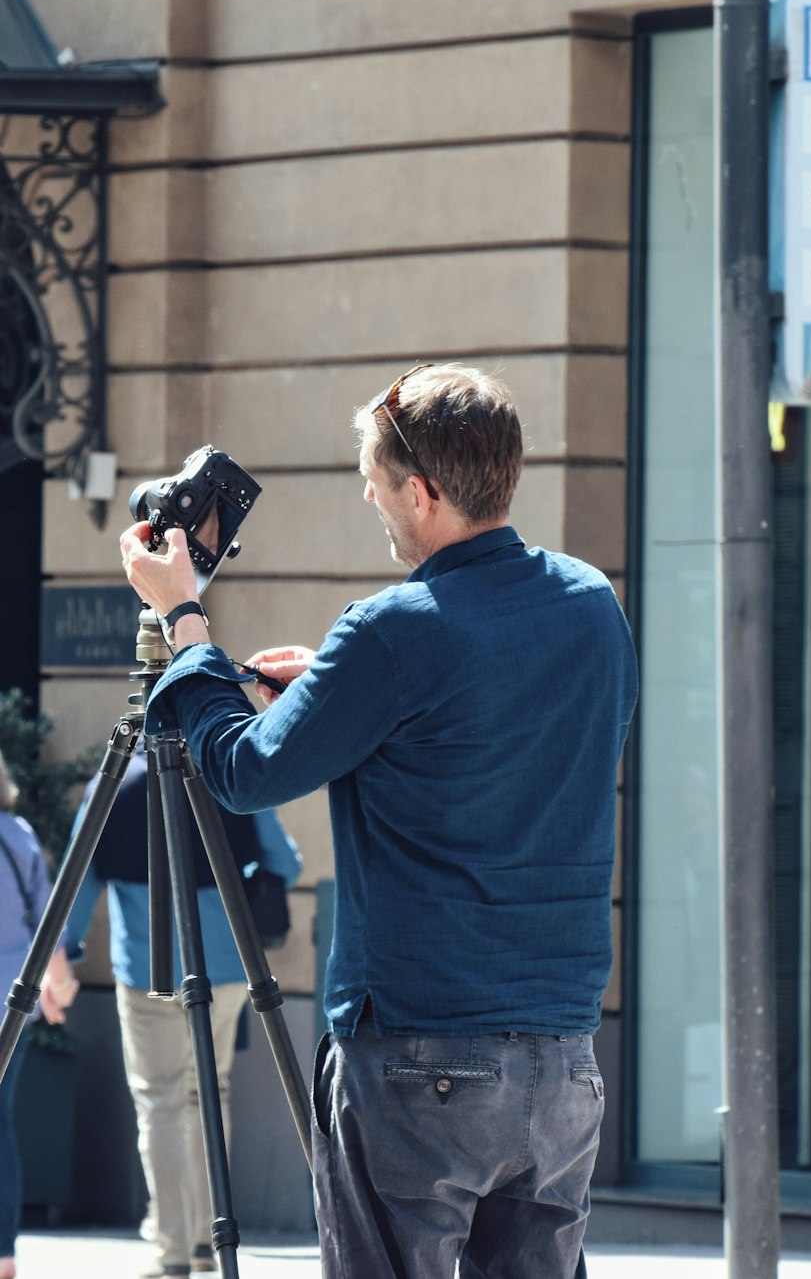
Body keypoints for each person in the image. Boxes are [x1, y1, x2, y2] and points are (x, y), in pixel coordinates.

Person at [120, 362, 638, 1278]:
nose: (367, 490)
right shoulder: (593, 607)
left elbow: (242, 771)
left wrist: (184, 620)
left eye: (377, 477)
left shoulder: (393, 630)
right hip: (562, 1062)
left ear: (426, 491)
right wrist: (342, 688)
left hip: (417, 1057)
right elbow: (489, 727)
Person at [63, 748, 301, 1279]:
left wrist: (66, 951)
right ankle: (205, 1240)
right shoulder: (223, 777)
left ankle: (171, 1247)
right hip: (224, 963)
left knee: (160, 1101)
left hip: (147, 970)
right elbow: (285, 863)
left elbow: (80, 879)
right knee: (208, 1093)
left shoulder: (116, 785)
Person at [0, 749, 79, 1279]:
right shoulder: (16, 834)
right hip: (12, 1004)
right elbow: (45, 918)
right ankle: (4, 1255)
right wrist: (59, 985)